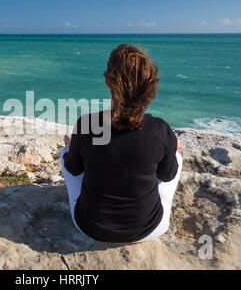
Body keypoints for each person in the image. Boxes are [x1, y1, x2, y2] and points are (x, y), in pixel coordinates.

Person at [60, 44, 184, 243]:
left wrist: (71, 146)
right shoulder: (160, 129)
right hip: (148, 229)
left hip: (90, 227)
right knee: (175, 155)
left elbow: (73, 169)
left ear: (109, 83)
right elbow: (166, 175)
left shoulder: (87, 124)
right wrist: (170, 148)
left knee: (66, 153)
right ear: (147, 86)